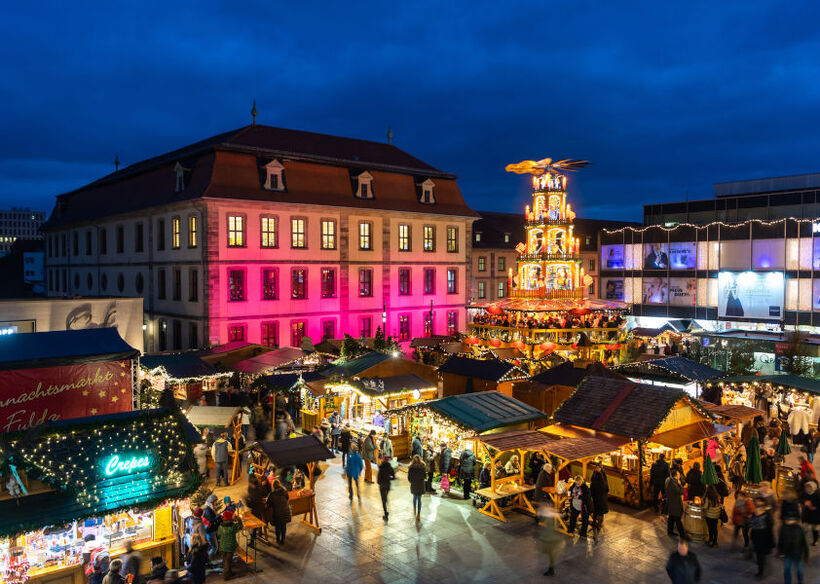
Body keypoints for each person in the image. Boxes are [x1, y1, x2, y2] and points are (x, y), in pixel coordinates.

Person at [778, 515, 809, 584]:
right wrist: (779, 551)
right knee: (787, 570)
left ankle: (800, 582)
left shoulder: (799, 528)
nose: (788, 521)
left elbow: (804, 542)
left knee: (799, 571)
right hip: (787, 553)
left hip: (797, 554)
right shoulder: (783, 528)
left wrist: (806, 554)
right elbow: (780, 540)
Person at [749, 498, 774, 578]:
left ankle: (761, 570)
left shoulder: (767, 514)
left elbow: (770, 526)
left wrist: (771, 539)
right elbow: (751, 525)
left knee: (761, 554)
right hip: (756, 535)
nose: (757, 510)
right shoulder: (754, 513)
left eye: (759, 508)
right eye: (756, 508)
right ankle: (761, 566)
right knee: (758, 553)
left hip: (764, 536)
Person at [216, 510, 243, 580]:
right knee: (228, 561)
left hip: (222, 546)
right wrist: (239, 519)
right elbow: (240, 526)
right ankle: (226, 576)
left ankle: (229, 572)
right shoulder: (233, 526)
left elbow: (218, 534)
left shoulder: (220, 526)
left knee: (225, 560)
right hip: (230, 547)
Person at [266, 479, 292, 545]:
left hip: (277, 513)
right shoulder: (284, 491)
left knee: (278, 527)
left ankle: (278, 540)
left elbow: (268, 504)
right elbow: (287, 498)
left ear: (273, 486)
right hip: (285, 511)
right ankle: (283, 540)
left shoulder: (272, 494)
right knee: (283, 526)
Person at [665, 470, 686, 539]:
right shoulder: (674, 483)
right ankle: (682, 534)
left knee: (671, 518)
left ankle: (670, 531)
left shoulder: (668, 480)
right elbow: (680, 492)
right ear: (676, 476)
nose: (679, 475)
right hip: (675, 503)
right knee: (677, 519)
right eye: (678, 474)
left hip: (671, 502)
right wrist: (680, 485)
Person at [590, 463, 609, 533]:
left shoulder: (594, 482)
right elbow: (607, 489)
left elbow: (591, 490)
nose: (597, 469)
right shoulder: (603, 481)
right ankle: (598, 524)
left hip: (597, 499)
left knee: (596, 511)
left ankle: (596, 523)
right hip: (602, 498)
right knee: (600, 512)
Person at [800, 480, 820, 546]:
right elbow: (799, 499)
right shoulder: (804, 493)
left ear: (813, 487)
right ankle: (801, 540)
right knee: (804, 528)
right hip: (806, 514)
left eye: (809, 487)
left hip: (815, 515)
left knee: (815, 529)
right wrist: (804, 502)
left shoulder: (817, 494)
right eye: (806, 487)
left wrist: (814, 506)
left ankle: (815, 540)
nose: (808, 489)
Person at [408, 454, 426, 522]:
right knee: (419, 499)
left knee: (414, 498)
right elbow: (424, 476)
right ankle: (419, 513)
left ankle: (414, 509)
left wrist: (412, 481)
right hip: (420, 485)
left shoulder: (411, 467)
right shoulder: (422, 466)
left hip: (414, 484)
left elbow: (409, 478)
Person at [377, 455, 395, 521]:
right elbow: (393, 477)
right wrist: (389, 478)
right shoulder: (390, 467)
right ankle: (386, 510)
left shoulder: (381, 468)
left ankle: (386, 514)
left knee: (383, 500)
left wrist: (381, 482)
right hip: (388, 485)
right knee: (385, 497)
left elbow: (378, 480)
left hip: (382, 486)